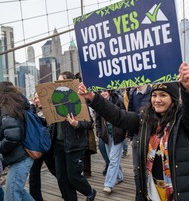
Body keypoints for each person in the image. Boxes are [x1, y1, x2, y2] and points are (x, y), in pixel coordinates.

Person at [78, 62, 189, 200]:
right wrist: (93, 98)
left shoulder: (184, 122)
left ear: (173, 99)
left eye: (163, 95)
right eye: (154, 96)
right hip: (152, 191)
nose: (157, 100)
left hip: (182, 192)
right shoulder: (144, 121)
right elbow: (117, 115)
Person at [50, 71, 96, 201]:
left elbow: (89, 123)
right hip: (58, 144)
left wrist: (77, 123)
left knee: (73, 177)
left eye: (61, 82)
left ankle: (90, 191)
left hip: (74, 144)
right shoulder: (55, 98)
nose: (57, 84)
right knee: (61, 178)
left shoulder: (78, 98)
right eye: (56, 82)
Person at [0, 81, 34, 200]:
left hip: (21, 156)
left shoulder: (7, 108)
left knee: (11, 195)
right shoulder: (14, 106)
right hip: (21, 154)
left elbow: (13, 137)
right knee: (17, 191)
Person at [96, 90, 126, 194]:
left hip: (117, 134)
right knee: (112, 158)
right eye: (100, 91)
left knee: (113, 159)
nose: (102, 93)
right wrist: (99, 132)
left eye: (104, 91)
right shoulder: (98, 102)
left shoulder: (117, 100)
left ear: (109, 91)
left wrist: (124, 131)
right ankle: (119, 176)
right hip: (106, 135)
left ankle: (108, 184)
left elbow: (125, 116)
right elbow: (97, 120)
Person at [29, 92, 56, 201]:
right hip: (37, 148)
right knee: (33, 175)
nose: (37, 100)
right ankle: (36, 198)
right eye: (35, 98)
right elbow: (31, 121)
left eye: (39, 97)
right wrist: (32, 108)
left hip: (48, 148)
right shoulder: (33, 112)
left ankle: (67, 191)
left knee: (55, 171)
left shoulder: (50, 110)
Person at [127, 84, 152, 199]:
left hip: (151, 137)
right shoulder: (132, 94)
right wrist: (131, 135)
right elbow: (130, 115)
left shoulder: (152, 92)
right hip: (137, 136)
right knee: (136, 171)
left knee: (149, 172)